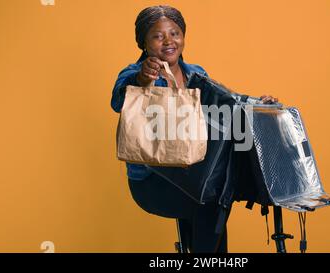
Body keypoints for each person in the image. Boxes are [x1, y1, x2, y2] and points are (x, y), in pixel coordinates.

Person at [110, 5, 278, 253]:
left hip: (193, 174)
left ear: (183, 36)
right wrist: (143, 80)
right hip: (151, 181)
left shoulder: (196, 73)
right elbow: (119, 101)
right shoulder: (135, 72)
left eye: (175, 33)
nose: (169, 41)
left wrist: (257, 102)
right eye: (158, 36)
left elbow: (226, 101)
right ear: (144, 43)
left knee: (219, 194)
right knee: (212, 201)